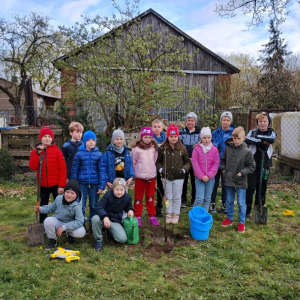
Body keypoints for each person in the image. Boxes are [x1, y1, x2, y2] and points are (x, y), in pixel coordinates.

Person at [221, 127, 256, 233]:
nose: (236, 141)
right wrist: (223, 170)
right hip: (229, 179)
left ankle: (241, 223)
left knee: (241, 203)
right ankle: (229, 219)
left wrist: (242, 173)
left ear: (244, 138)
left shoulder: (247, 152)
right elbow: (223, 161)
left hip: (241, 181)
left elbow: (252, 166)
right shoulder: (228, 148)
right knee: (229, 201)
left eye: (238, 138)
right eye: (234, 138)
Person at [71, 130, 107, 233]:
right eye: (88, 140)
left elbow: (102, 171)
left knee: (93, 205)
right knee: (80, 205)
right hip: (82, 184)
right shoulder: (79, 154)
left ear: (96, 142)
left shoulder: (99, 155)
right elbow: (75, 170)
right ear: (84, 141)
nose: (91, 142)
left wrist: (101, 185)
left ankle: (92, 223)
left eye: (93, 140)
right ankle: (81, 223)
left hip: (95, 185)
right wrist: (74, 184)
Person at [34, 180, 86, 250]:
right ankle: (52, 239)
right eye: (67, 192)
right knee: (47, 221)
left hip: (71, 224)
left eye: (72, 193)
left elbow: (80, 221)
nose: (69, 195)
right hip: (59, 220)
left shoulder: (77, 205)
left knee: (81, 232)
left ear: (76, 194)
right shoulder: (59, 198)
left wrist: (64, 227)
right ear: (64, 192)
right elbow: (51, 207)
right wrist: (40, 209)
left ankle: (70, 235)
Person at [29, 128, 67, 223]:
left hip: (55, 184)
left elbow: (63, 169)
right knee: (43, 203)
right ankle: (43, 224)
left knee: (59, 203)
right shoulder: (36, 151)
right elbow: (33, 166)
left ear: (52, 139)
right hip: (42, 184)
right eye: (45, 136)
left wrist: (61, 185)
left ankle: (60, 221)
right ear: (41, 138)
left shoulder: (57, 151)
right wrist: (38, 154)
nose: (47, 138)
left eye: (49, 137)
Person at [156, 124, 191, 224]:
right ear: (168, 137)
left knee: (177, 196)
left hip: (179, 177)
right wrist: (161, 170)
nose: (173, 138)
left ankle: (176, 213)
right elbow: (158, 162)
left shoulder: (182, 149)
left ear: (178, 137)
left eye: (175, 136)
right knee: (167, 196)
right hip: (166, 177)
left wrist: (184, 170)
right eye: (171, 136)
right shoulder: (163, 149)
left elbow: (187, 162)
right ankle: (169, 212)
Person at [245, 112, 276, 219]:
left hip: (265, 165)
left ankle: (258, 211)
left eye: (265, 121)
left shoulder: (271, 132)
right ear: (257, 122)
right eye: (260, 121)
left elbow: (271, 140)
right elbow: (247, 139)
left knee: (261, 188)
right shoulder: (252, 132)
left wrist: (257, 140)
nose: (262, 124)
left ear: (268, 123)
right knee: (250, 188)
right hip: (252, 165)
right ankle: (247, 211)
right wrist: (262, 140)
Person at [92, 178, 134, 251]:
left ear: (125, 189)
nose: (119, 192)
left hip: (115, 220)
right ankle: (98, 239)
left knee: (122, 239)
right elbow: (99, 206)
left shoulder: (127, 197)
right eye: (117, 189)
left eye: (121, 190)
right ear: (113, 188)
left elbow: (128, 206)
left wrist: (130, 210)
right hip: (104, 219)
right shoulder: (108, 195)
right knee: (95, 218)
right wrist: (105, 217)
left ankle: (110, 232)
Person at [131, 127, 159, 226]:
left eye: (149, 137)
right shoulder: (136, 149)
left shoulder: (153, 149)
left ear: (152, 138)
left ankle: (152, 215)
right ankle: (138, 215)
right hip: (140, 178)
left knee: (150, 197)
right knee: (138, 197)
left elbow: (154, 160)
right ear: (141, 137)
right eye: (145, 137)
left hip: (151, 177)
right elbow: (134, 162)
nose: (147, 139)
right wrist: (137, 171)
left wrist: (150, 170)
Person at [211, 111, 235, 213]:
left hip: (228, 164)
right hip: (215, 163)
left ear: (230, 121)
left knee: (226, 184)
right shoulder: (214, 133)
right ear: (221, 121)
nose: (225, 122)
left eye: (228, 120)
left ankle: (224, 203)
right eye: (224, 120)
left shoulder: (234, 133)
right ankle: (212, 203)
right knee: (214, 184)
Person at [192, 127, 219, 211]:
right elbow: (195, 163)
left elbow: (216, 164)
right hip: (199, 177)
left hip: (210, 178)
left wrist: (209, 175)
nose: (206, 140)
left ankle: (204, 214)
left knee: (207, 198)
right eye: (204, 138)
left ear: (211, 138)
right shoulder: (196, 149)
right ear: (201, 138)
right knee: (199, 198)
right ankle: (195, 214)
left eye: (208, 137)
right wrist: (201, 175)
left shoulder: (214, 150)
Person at [179, 112, 201, 207]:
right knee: (183, 180)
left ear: (195, 122)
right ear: (186, 121)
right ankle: (183, 200)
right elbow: (179, 144)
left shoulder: (200, 132)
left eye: (192, 121)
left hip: (196, 161)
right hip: (184, 161)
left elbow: (203, 145)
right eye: (188, 120)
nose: (190, 122)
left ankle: (194, 199)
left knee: (194, 181)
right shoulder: (181, 132)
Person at [152, 119, 167, 217]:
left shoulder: (165, 138)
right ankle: (151, 205)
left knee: (162, 186)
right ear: (152, 128)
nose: (157, 129)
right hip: (151, 165)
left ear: (162, 128)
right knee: (152, 186)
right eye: (155, 127)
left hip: (162, 165)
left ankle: (160, 205)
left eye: (159, 127)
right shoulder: (150, 138)